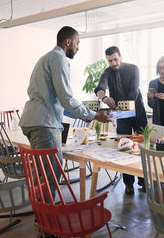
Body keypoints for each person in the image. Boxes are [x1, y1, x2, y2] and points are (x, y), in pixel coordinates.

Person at [20, 26, 112, 200]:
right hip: (44, 124)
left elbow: (56, 99)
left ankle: (41, 216)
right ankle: (47, 220)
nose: (78, 47)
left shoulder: (45, 58)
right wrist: (93, 115)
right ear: (67, 42)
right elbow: (66, 99)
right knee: (51, 173)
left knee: (43, 173)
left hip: (33, 120)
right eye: (77, 43)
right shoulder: (59, 59)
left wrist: (83, 115)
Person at [94, 46, 147, 195]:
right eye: (110, 61)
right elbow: (100, 87)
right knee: (124, 147)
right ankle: (128, 183)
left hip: (138, 113)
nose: (113, 63)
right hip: (121, 116)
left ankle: (143, 179)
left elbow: (134, 91)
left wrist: (122, 107)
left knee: (142, 145)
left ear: (121, 57)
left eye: (115, 59)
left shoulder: (133, 69)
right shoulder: (108, 72)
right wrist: (104, 97)